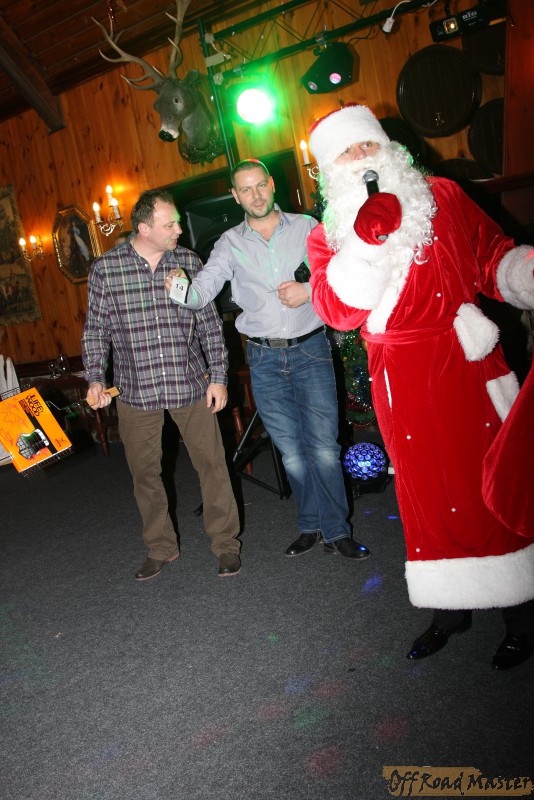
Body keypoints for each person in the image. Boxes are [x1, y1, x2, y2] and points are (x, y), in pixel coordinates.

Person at [305, 103, 534, 669]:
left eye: (367, 144)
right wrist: (366, 242)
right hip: (400, 382)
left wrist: (524, 274)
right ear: (330, 170)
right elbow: (337, 312)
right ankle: (449, 608)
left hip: (462, 361)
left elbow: (491, 257)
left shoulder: (442, 197)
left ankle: (521, 612)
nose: (361, 157)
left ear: (387, 147)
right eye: (346, 152)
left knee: (488, 482)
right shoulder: (327, 235)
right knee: (425, 494)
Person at [166, 159, 370, 562]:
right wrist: (177, 287)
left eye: (260, 185)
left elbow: (341, 272)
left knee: (323, 449)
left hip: (311, 350)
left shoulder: (307, 227)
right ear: (235, 195)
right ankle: (310, 524)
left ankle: (336, 531)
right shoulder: (229, 243)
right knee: (291, 453)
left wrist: (309, 290)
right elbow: (200, 293)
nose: (255, 195)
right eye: (246, 189)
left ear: (272, 184)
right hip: (263, 358)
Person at [82, 189, 241, 580]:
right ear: (144, 228)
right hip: (135, 391)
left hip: (190, 383)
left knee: (213, 466)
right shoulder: (106, 269)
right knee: (145, 475)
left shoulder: (189, 261)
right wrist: (95, 378)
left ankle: (225, 545)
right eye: (169, 224)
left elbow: (209, 326)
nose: (178, 230)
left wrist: (218, 377)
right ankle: (160, 547)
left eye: (177, 223)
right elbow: (96, 330)